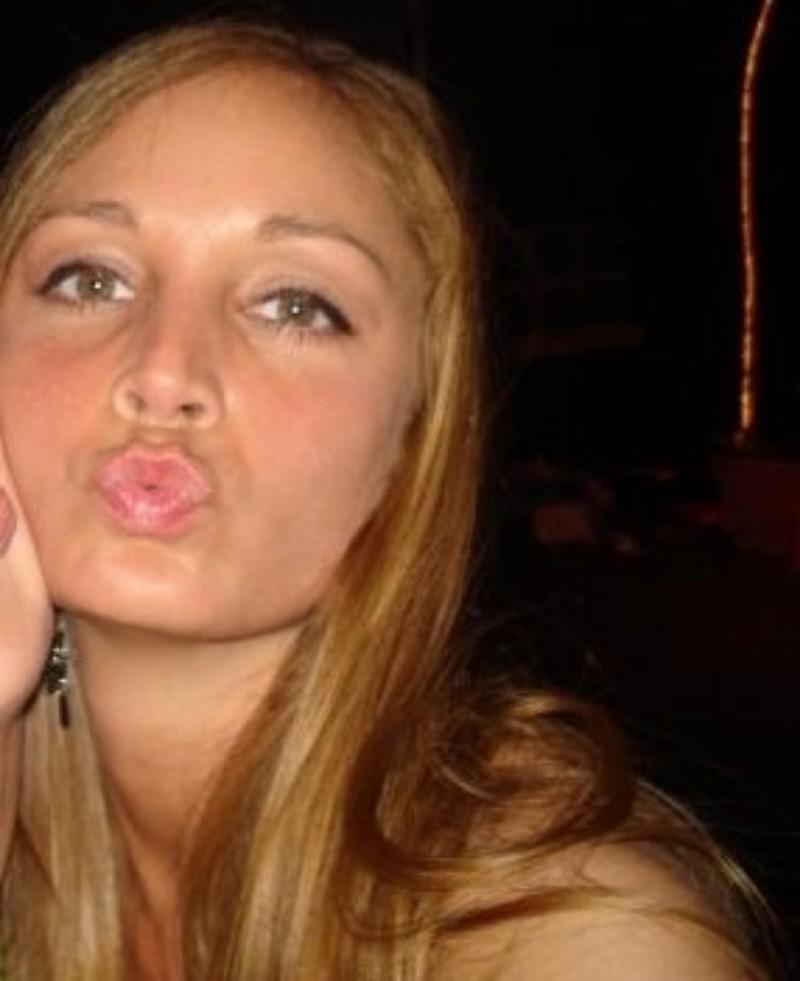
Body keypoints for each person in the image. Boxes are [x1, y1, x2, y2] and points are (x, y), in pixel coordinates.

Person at [0, 19, 774, 980]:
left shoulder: (577, 939)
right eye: (90, 277)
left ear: (414, 441)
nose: (163, 372)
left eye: (296, 304)